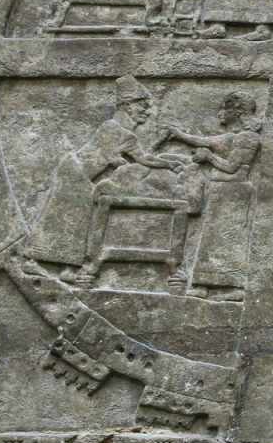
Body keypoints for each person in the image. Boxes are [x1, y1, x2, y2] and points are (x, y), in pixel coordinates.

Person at [26, 76, 203, 288]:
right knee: (67, 218)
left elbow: (138, 157)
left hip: (81, 174)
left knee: (74, 220)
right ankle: (35, 261)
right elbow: (124, 156)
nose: (147, 111)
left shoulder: (124, 134)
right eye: (143, 106)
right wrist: (143, 164)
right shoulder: (112, 128)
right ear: (128, 105)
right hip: (76, 172)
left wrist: (166, 164)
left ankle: (66, 268)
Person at [168, 91, 264, 299]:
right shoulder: (232, 137)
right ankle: (203, 284)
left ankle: (235, 289)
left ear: (237, 112)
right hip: (221, 191)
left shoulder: (248, 138)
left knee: (228, 240)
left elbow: (232, 167)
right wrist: (178, 134)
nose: (220, 113)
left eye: (223, 109)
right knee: (210, 241)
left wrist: (209, 157)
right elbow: (203, 140)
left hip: (234, 192)